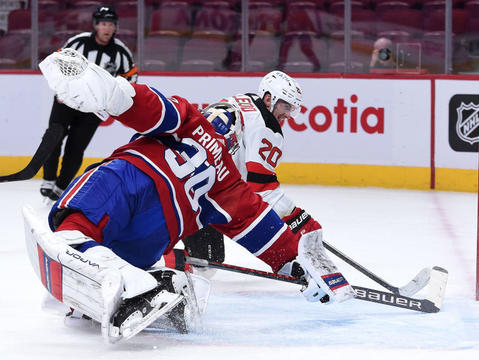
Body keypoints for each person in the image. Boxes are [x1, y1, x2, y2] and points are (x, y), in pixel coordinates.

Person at [32, 49, 354, 343]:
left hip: (130, 181)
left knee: (71, 226)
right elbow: (254, 221)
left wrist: (103, 89)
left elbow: (145, 105)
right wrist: (294, 263)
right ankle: (153, 283)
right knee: (141, 253)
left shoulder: (191, 118)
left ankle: (118, 273)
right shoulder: (228, 180)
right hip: (161, 228)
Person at [163, 71, 325, 278]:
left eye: (293, 108)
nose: (288, 114)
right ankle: (163, 270)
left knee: (198, 247)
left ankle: (160, 260)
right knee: (206, 262)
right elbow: (261, 189)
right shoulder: (267, 128)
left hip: (175, 166)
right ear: (269, 99)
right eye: (286, 106)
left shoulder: (244, 99)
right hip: (197, 185)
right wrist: (297, 218)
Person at [40, 5, 138, 202]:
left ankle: (61, 186)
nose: (107, 28)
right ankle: (48, 179)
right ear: (96, 25)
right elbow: (57, 63)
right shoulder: (78, 42)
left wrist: (112, 100)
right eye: (103, 23)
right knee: (53, 137)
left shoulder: (121, 51)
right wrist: (60, 90)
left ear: (115, 27)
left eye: (110, 24)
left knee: (76, 148)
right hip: (67, 101)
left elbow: (131, 78)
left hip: (93, 109)